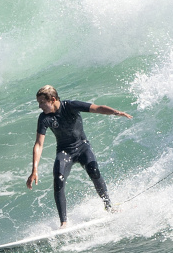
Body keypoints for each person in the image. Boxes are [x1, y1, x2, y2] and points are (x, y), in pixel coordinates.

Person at [26, 85, 132, 227]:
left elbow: (98, 108)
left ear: (52, 99)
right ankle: (63, 223)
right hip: (65, 151)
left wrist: (116, 112)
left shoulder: (70, 106)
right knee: (58, 179)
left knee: (94, 171)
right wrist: (34, 170)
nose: (39, 106)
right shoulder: (44, 118)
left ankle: (109, 206)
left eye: (41, 102)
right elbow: (39, 144)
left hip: (82, 147)